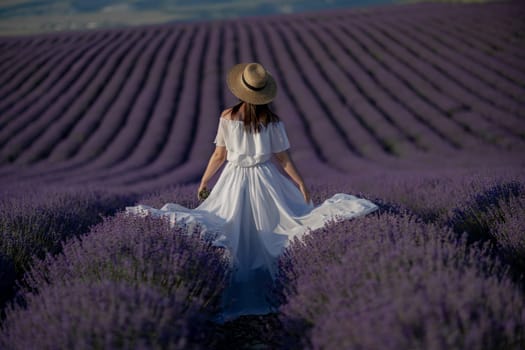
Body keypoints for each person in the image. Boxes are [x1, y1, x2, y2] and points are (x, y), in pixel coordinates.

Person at [126, 62, 378, 322]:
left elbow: (219, 154)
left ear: (240, 91)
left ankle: (230, 290)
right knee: (279, 231)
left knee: (231, 230)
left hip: (233, 180)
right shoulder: (273, 121)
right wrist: (300, 182)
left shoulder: (227, 116)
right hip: (266, 180)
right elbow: (283, 159)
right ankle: (278, 291)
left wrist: (204, 181)